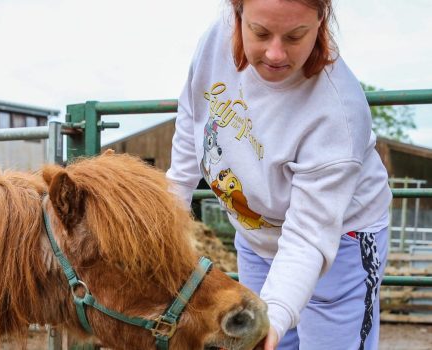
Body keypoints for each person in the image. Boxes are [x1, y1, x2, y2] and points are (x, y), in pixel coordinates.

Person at [166, 0, 392, 349]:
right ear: (238, 13)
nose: (274, 53)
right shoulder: (217, 38)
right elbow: (193, 117)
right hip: (257, 235)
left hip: (336, 238)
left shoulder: (337, 113)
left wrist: (278, 312)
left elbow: (308, 235)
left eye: (294, 36)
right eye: (260, 33)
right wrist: (167, 216)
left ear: (320, 20)